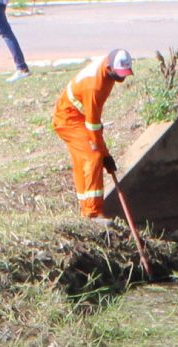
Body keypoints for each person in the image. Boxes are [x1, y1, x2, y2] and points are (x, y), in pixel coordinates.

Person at [51, 48, 133, 219]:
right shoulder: (94, 86)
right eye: (119, 73)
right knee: (93, 156)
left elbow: (94, 122)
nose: (122, 78)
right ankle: (92, 213)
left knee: (84, 161)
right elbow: (93, 126)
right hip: (69, 120)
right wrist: (105, 155)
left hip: (78, 118)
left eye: (124, 74)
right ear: (109, 68)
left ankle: (86, 210)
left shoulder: (107, 73)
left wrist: (106, 154)